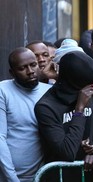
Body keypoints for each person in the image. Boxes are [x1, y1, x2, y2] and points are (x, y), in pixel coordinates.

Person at [34, 51, 93, 181]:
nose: (91, 87)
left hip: (90, 175)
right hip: (61, 177)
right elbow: (67, 153)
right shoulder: (46, 107)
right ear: (75, 83)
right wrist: (79, 110)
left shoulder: (88, 93)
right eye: (86, 83)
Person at [0, 47, 51, 182]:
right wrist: (12, 178)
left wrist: (55, 78)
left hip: (44, 174)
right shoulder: (3, 90)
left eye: (33, 65)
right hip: (9, 176)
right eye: (22, 68)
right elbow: (0, 137)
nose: (30, 71)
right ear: (12, 72)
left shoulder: (50, 91)